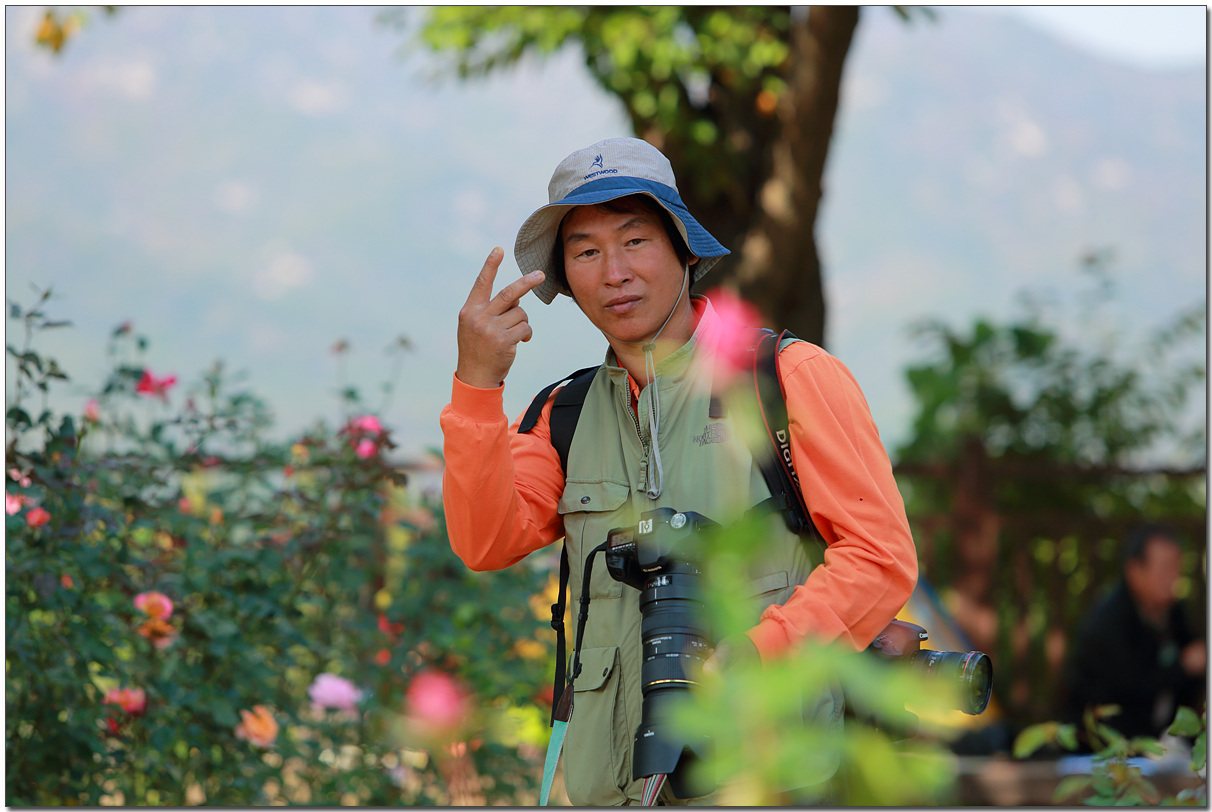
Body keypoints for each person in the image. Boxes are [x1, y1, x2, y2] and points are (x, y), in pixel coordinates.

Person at [440, 137, 918, 805]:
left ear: (685, 249)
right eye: (586, 252)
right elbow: (485, 542)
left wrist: (760, 652)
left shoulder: (786, 379)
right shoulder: (561, 414)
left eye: (635, 240)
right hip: (606, 789)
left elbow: (879, 557)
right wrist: (476, 386)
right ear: (565, 279)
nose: (614, 273)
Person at [1061, 523, 1206, 744]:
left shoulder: (1174, 613)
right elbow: (1132, 686)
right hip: (1099, 745)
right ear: (1135, 571)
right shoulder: (1109, 620)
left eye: (1177, 568)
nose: (1174, 577)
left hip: (1160, 744)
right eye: (1165, 568)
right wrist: (1182, 666)